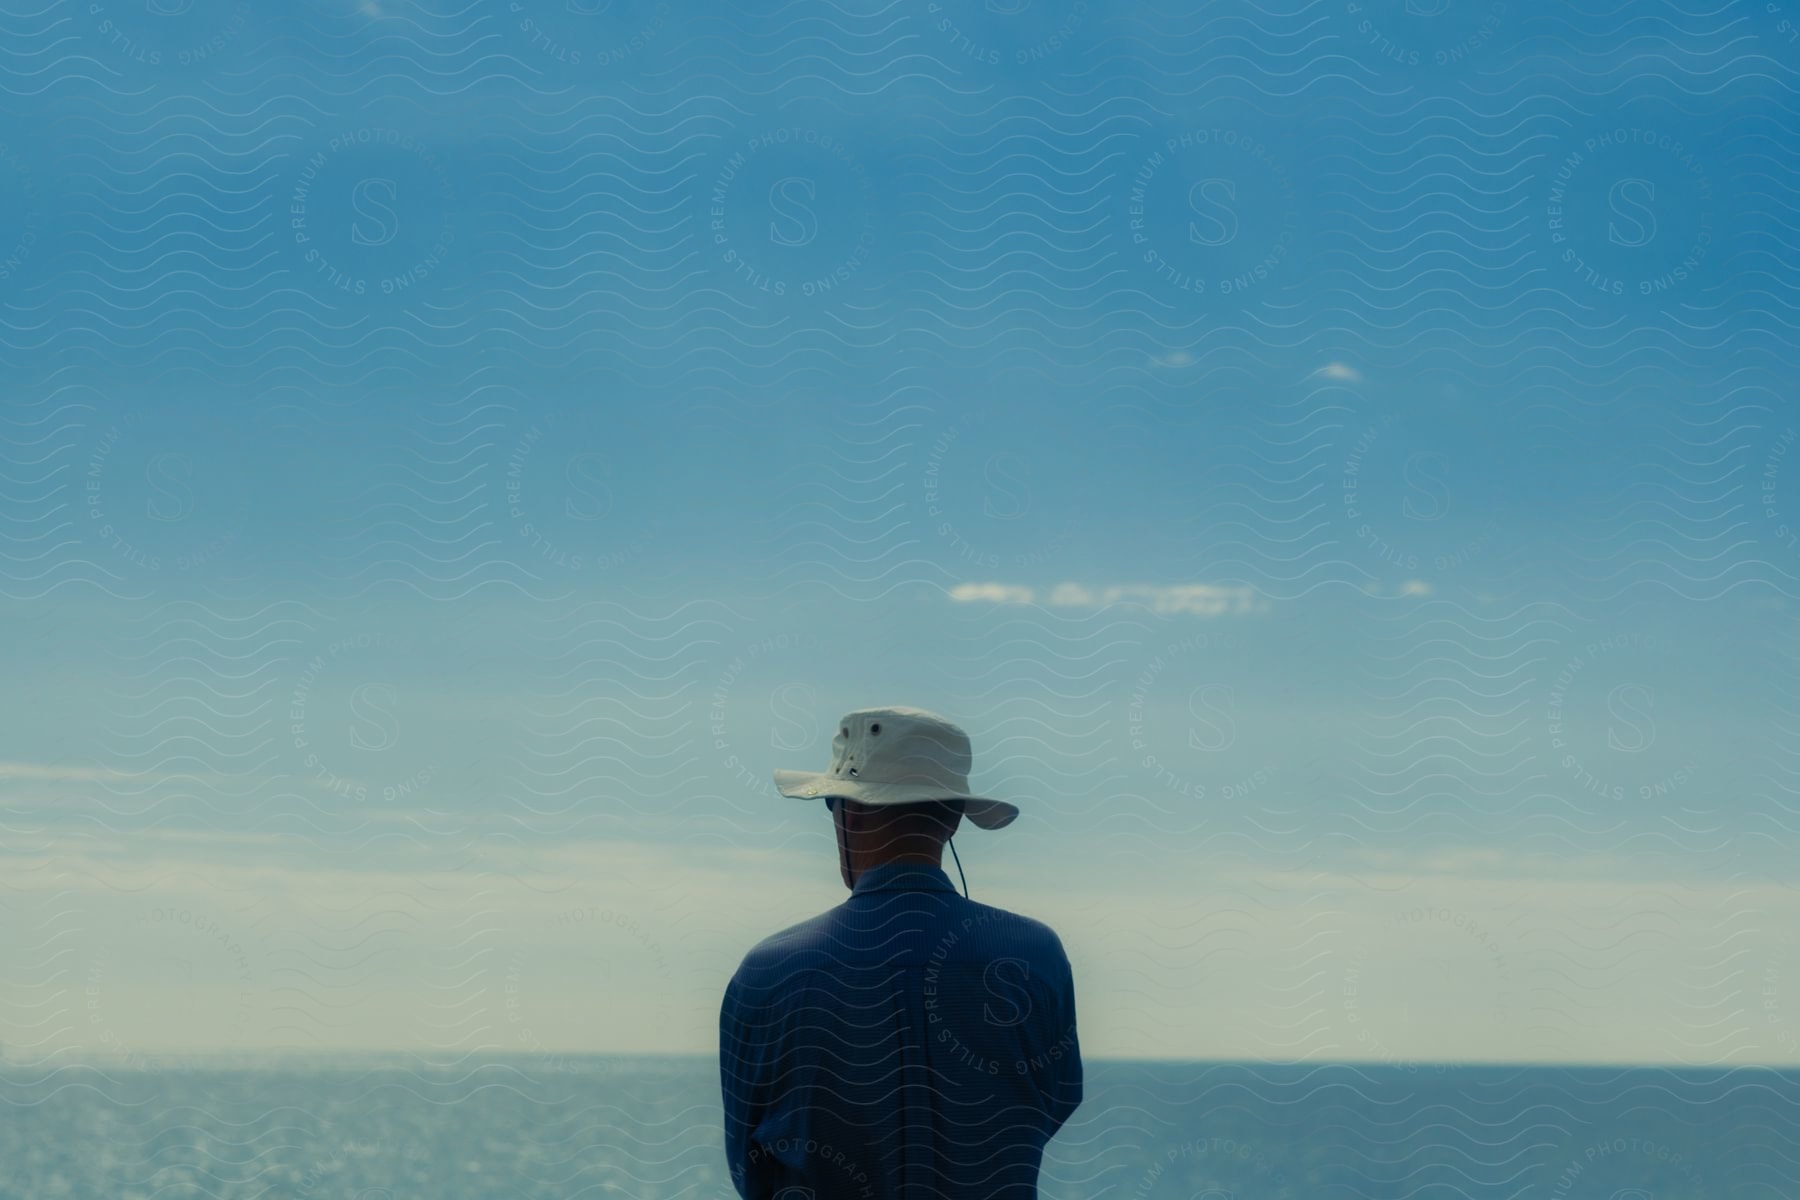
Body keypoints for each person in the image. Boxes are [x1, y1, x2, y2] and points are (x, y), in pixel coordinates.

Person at [719, 705, 1083, 1200]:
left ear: (851, 809)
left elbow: (751, 1165)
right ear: (953, 819)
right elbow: (1053, 1104)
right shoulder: (1033, 954)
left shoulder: (770, 970)